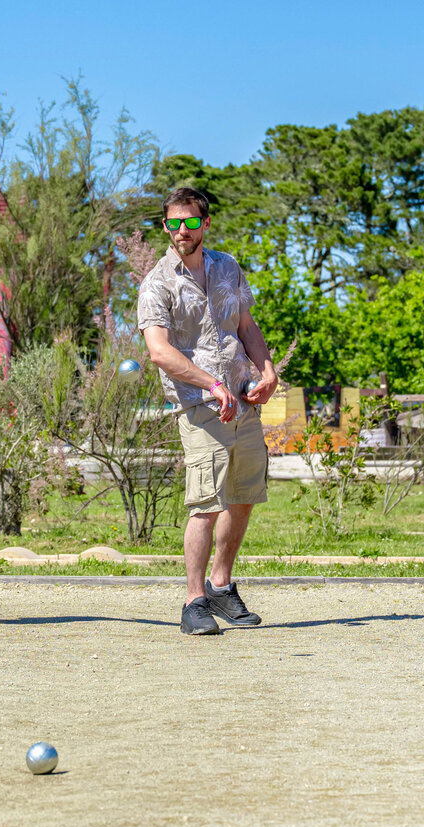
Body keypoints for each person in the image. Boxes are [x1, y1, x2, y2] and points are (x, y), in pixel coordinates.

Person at [138, 188, 278, 635]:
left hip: (244, 401)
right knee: (204, 504)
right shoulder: (157, 282)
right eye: (174, 223)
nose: (183, 230)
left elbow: (245, 324)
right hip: (199, 407)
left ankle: (220, 585)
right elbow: (159, 351)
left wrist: (268, 371)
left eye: (191, 222)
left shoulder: (228, 267)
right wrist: (210, 383)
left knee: (241, 498)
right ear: (165, 227)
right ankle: (193, 601)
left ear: (205, 223)